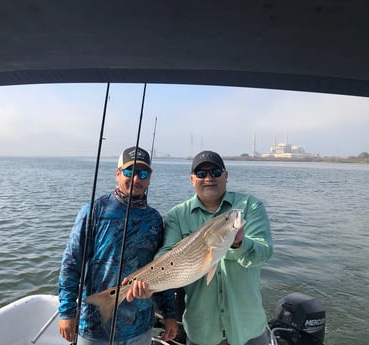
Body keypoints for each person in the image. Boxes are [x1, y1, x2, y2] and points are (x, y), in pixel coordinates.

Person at [128, 150, 273, 345]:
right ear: (192, 179)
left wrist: (239, 243)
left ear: (226, 175)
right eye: (201, 174)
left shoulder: (249, 206)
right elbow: (166, 253)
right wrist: (146, 282)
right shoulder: (177, 215)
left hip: (248, 328)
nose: (208, 178)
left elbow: (263, 253)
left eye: (215, 172)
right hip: (202, 332)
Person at [58, 146, 178, 345]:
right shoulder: (95, 210)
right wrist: (66, 311)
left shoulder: (155, 219)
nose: (137, 179)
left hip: (140, 326)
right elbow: (71, 263)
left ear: (149, 177)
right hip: (94, 325)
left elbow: (162, 270)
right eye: (130, 172)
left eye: (143, 173)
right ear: (117, 174)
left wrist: (169, 315)